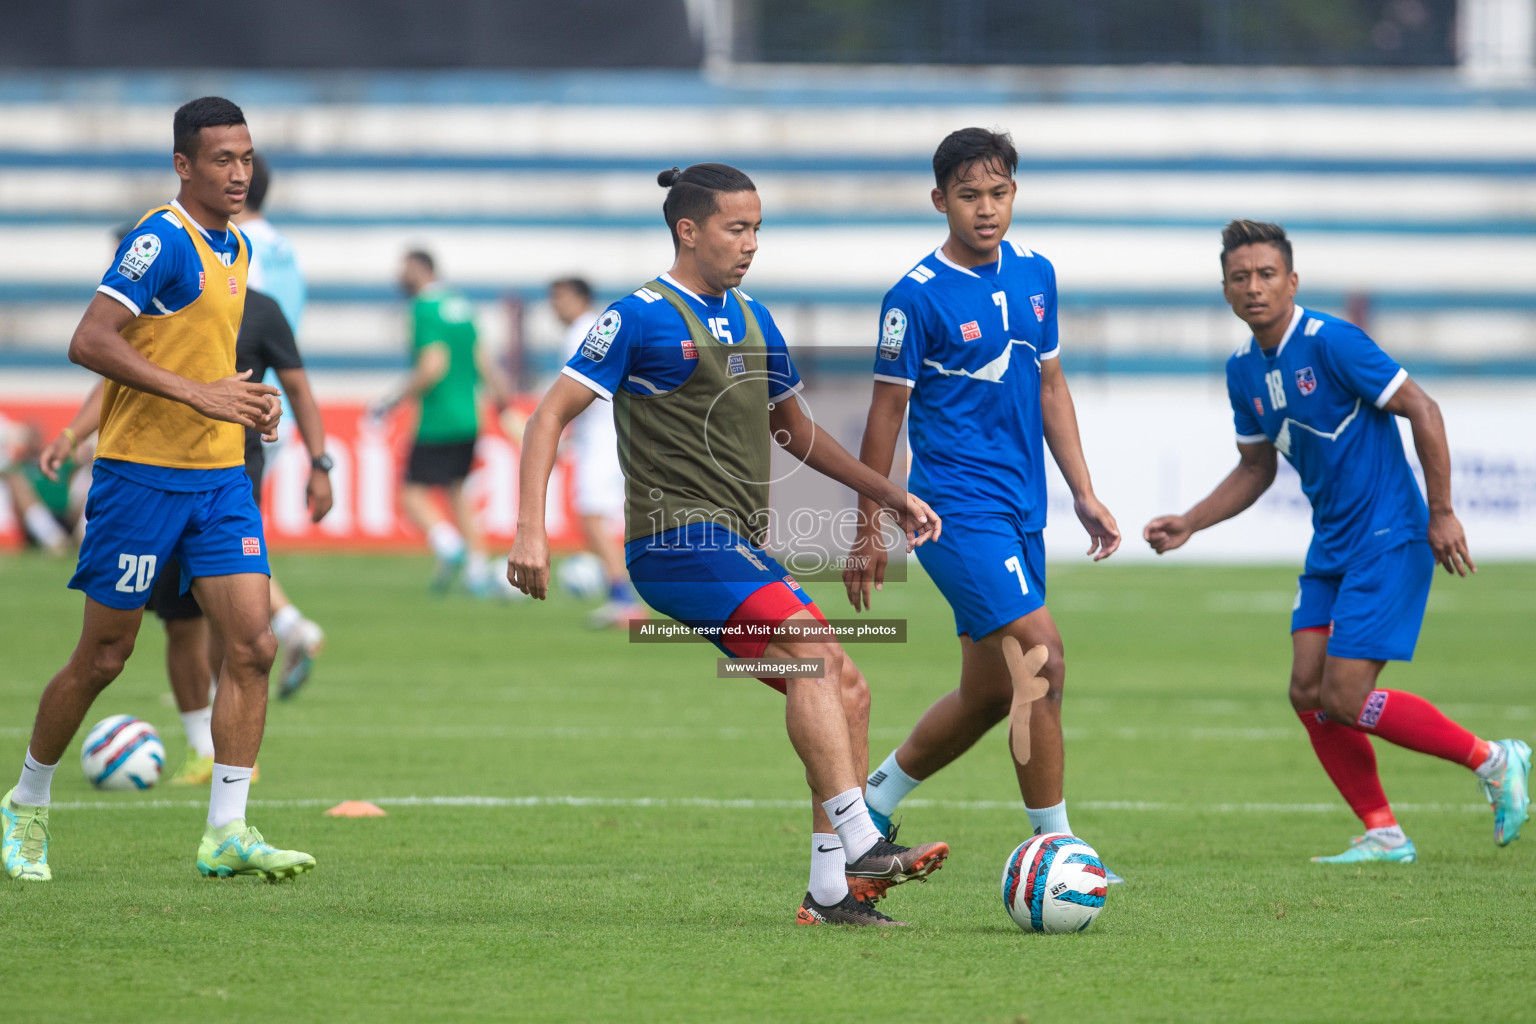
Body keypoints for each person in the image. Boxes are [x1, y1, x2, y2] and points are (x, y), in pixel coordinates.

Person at [508, 163, 950, 926]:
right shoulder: (638, 318)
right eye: (734, 228)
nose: (749, 244)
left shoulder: (754, 318)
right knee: (814, 652)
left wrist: (885, 493)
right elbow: (547, 417)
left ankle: (829, 894)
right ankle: (861, 837)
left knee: (846, 688)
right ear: (688, 230)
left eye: (756, 229)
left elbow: (794, 430)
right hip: (674, 541)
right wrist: (529, 531)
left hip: (738, 547)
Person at [1143, 219, 1530, 863]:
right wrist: (1191, 521)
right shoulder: (1243, 369)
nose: (1255, 287)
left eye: (1267, 274)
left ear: (1292, 281)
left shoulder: (1332, 342)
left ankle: (1493, 759)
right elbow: (1255, 469)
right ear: (1226, 291)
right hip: (1333, 545)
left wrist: (1442, 513)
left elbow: (1423, 409)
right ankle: (1384, 832)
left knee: (1344, 697)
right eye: (1241, 278)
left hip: (1390, 534)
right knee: (1306, 691)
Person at [0, 96, 314, 883]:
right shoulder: (159, 240)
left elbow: (191, 357)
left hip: (219, 481)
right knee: (104, 655)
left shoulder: (236, 249)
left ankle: (227, 830)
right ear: (184, 165)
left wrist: (248, 399)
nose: (238, 173)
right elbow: (91, 340)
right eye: (221, 160)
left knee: (255, 644)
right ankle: (26, 801)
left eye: (245, 159)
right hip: (140, 480)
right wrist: (197, 395)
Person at [842, 128, 1124, 881]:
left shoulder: (1037, 274)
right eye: (969, 195)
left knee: (990, 692)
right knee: (1043, 659)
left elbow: (1052, 386)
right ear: (941, 201)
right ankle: (1057, 850)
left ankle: (870, 808)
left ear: (1014, 194)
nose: (986, 208)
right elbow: (885, 416)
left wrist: (1083, 492)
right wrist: (870, 524)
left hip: (1021, 509)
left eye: (998, 193)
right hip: (951, 512)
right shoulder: (915, 295)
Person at [39, 284, 335, 782]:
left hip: (230, 478)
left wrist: (317, 459)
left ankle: (228, 807)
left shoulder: (262, 307)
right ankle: (32, 795)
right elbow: (106, 364)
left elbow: (296, 387)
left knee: (249, 640)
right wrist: (74, 433)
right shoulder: (161, 287)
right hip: (151, 480)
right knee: (140, 640)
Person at [229, 152, 327, 687]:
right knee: (235, 541)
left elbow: (236, 322)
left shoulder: (237, 251)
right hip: (275, 406)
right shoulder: (286, 250)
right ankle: (285, 623)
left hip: (241, 411)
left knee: (217, 551)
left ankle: (277, 633)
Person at [372, 251, 510, 596]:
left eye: (405, 270)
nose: (400, 278)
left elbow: (433, 365)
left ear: (421, 270)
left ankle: (448, 545)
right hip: (470, 414)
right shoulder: (461, 305)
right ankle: (478, 569)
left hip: (439, 417)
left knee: (412, 495)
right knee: (457, 491)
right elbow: (483, 358)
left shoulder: (424, 308)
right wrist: (503, 400)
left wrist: (393, 400)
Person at [548, 276, 644, 627]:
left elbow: (583, 392)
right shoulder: (593, 329)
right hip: (609, 435)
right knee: (599, 521)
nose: (553, 306)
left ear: (578, 298)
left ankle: (624, 601)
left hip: (602, 439)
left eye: (558, 298)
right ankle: (617, 595)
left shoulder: (581, 332)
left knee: (590, 519)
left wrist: (559, 434)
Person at [3, 423, 88, 555]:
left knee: (92, 479)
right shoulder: (19, 465)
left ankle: (82, 537)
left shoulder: (59, 459)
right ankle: (55, 540)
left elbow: (82, 466)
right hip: (38, 525)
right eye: (29, 437)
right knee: (14, 479)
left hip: (66, 514)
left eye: (36, 436)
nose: (33, 441)